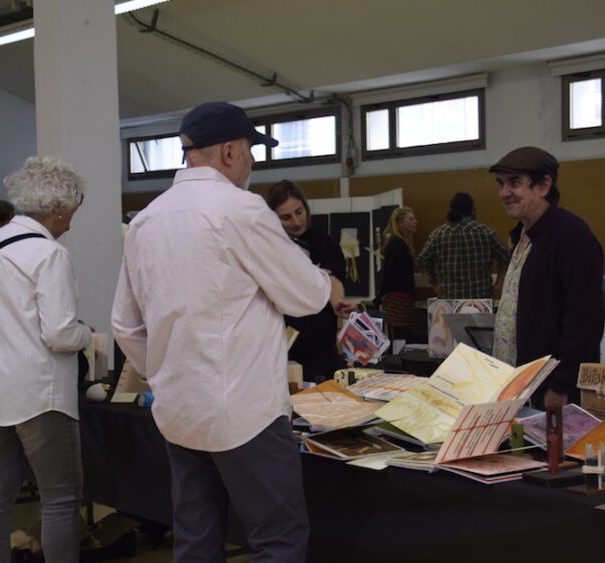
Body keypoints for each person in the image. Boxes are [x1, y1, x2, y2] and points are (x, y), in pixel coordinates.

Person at [111, 101, 331, 562]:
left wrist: (165, 372)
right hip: (245, 412)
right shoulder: (241, 210)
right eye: (250, 151)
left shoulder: (146, 219)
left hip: (179, 411)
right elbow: (309, 297)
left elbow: (125, 324)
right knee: (277, 539)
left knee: (196, 538)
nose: (251, 162)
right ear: (230, 151)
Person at [0, 157, 91, 562]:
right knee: (61, 499)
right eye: (76, 204)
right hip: (41, 396)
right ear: (58, 207)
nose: (73, 217)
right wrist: (86, 333)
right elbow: (60, 334)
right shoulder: (48, 253)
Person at [490, 146, 604, 409]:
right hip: (518, 387)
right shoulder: (523, 236)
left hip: (551, 392)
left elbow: (585, 321)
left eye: (514, 183)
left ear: (543, 186)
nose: (504, 192)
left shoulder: (572, 237)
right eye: (500, 183)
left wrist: (562, 385)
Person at [264, 180, 356, 381]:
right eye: (286, 217)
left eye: (299, 212)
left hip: (321, 345)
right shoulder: (269, 249)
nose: (296, 221)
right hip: (282, 346)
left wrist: (337, 302)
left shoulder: (324, 243)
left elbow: (332, 280)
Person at [416, 192, 509, 299]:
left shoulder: (438, 234)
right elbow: (505, 257)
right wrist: (499, 284)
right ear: (472, 209)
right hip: (481, 297)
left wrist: (435, 284)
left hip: (449, 297)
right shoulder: (486, 232)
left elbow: (421, 261)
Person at [377, 206, 417, 340]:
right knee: (400, 337)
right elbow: (390, 272)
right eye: (410, 219)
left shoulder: (399, 242)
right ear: (401, 223)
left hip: (400, 297)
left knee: (400, 336)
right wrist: (380, 295)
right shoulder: (397, 243)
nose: (415, 221)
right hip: (398, 298)